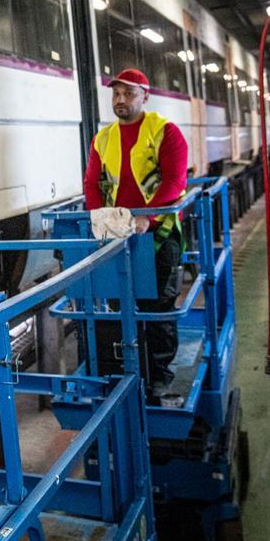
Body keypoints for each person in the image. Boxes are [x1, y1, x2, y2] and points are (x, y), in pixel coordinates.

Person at [83, 68, 189, 391]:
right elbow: (91, 184)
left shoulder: (165, 132)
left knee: (157, 309)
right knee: (121, 307)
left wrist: (149, 218)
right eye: (116, 93)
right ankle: (129, 373)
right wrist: (98, 218)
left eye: (128, 93)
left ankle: (157, 378)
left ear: (145, 96)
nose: (120, 99)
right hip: (120, 235)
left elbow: (175, 182)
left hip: (158, 235)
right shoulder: (103, 138)